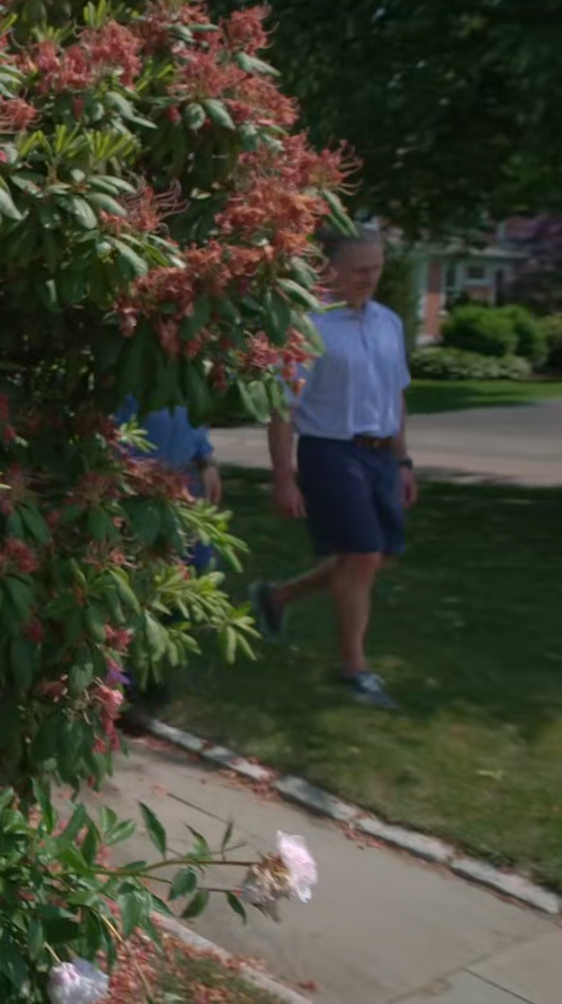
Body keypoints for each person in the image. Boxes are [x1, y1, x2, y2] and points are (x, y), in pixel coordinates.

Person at [250, 225, 414, 709]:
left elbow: (395, 396)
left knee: (378, 555)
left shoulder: (389, 322)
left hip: (381, 454)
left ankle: (277, 597)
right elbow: (283, 407)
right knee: (362, 555)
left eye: (376, 268)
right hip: (330, 451)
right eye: (360, 269)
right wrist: (284, 477)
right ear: (330, 269)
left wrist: (403, 460)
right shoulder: (307, 326)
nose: (370, 278)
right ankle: (354, 667)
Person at [112, 397, 224, 719]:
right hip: (137, 487)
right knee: (134, 588)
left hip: (182, 482)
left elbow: (194, 416)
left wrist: (206, 459)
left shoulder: (187, 375)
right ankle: (126, 683)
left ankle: (152, 669)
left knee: (189, 577)